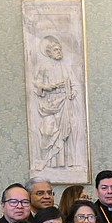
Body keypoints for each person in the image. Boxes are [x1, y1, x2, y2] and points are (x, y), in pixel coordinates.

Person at [33, 36, 77, 168]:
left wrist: (72, 92)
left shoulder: (65, 67)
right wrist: (47, 87)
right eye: (56, 50)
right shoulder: (44, 66)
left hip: (64, 102)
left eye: (60, 50)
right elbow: (36, 82)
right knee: (48, 131)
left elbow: (72, 83)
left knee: (65, 133)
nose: (59, 52)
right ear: (49, 52)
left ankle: (62, 163)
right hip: (50, 103)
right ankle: (42, 160)